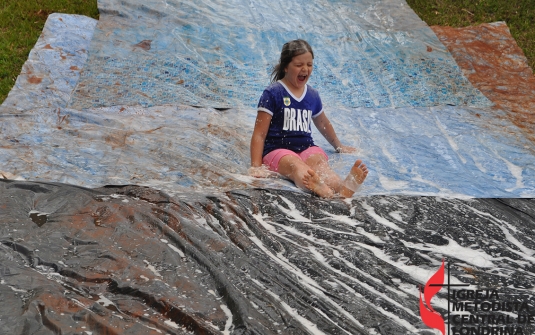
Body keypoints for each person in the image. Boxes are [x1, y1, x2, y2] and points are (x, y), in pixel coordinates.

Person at [249, 39, 368, 198]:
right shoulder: (273, 93)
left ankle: (342, 187)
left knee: (321, 165)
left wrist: (339, 146)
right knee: (295, 165)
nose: (305, 69)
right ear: (286, 67)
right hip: (277, 149)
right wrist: (256, 166)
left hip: (306, 147)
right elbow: (259, 133)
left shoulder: (312, 95)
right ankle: (318, 187)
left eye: (309, 65)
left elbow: (323, 123)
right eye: (299, 65)